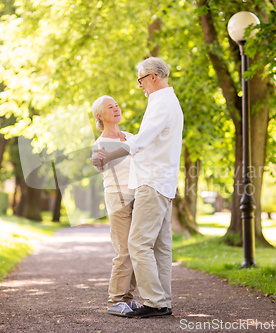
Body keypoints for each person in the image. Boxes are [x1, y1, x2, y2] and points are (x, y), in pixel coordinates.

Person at [92, 57, 184, 318]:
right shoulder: (169, 102)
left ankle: (155, 302)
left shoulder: (160, 103)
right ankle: (163, 300)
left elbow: (141, 142)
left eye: (141, 80)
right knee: (160, 247)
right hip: (164, 183)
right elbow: (150, 140)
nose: (140, 86)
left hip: (152, 182)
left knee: (138, 244)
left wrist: (110, 154)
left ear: (152, 77)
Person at [91, 95, 141, 316]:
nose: (116, 109)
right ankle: (115, 300)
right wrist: (98, 161)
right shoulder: (100, 143)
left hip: (138, 197)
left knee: (138, 249)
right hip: (118, 198)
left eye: (117, 105)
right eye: (110, 107)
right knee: (124, 250)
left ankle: (127, 299)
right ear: (100, 116)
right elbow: (99, 164)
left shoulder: (129, 136)